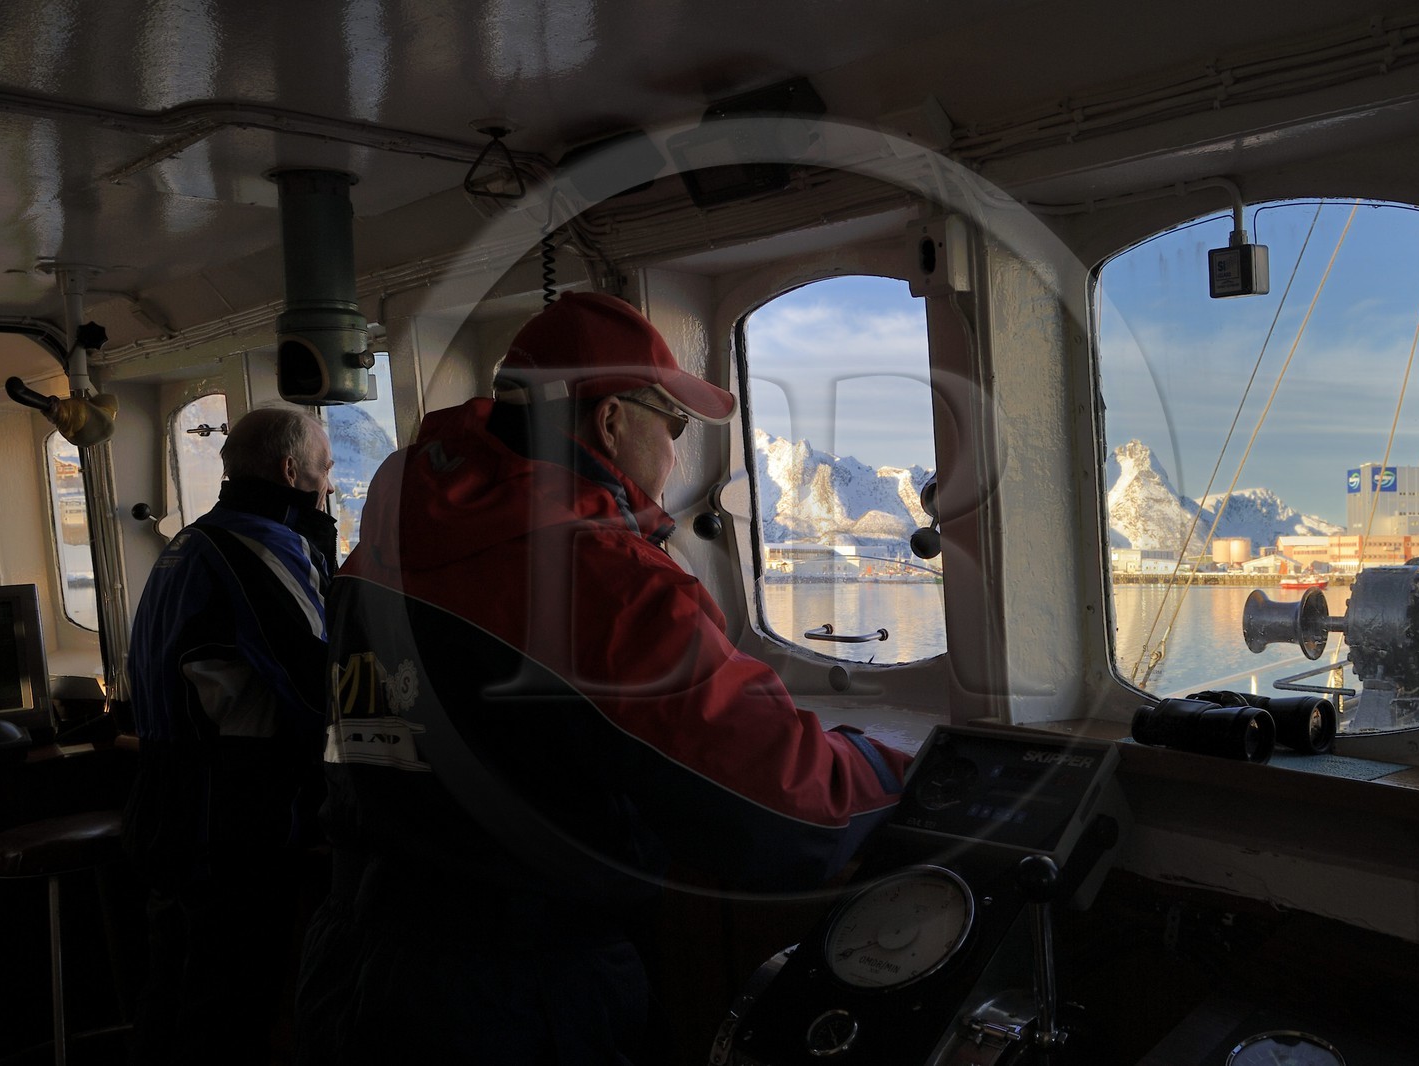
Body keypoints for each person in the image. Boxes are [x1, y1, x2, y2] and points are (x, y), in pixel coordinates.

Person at [295, 291, 912, 1065]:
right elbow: (791, 817)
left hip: (353, 962)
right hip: (514, 999)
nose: (677, 457)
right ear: (613, 420)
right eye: (675, 427)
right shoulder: (597, 576)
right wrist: (896, 771)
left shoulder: (387, 536)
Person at [123, 405, 337, 1065]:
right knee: (230, 1004)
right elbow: (317, 679)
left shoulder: (193, 540)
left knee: (177, 993)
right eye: (325, 470)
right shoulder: (260, 544)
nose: (330, 485)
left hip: (173, 797)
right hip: (233, 810)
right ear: (290, 470)